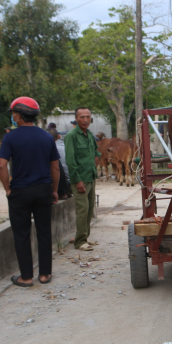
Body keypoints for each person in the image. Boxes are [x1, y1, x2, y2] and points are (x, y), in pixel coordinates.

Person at [0, 96, 60, 287]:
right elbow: (55, 167)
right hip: (43, 190)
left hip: (20, 192)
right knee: (44, 232)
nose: (13, 116)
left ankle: (26, 277)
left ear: (20, 114)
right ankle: (44, 274)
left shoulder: (10, 137)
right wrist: (55, 190)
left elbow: (2, 166)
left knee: (22, 234)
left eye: (14, 113)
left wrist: (7, 188)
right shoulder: (46, 137)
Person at [64, 107, 100, 251]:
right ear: (76, 119)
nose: (85, 120)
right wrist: (77, 180)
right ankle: (79, 242)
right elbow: (70, 161)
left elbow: (96, 150)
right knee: (82, 210)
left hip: (91, 177)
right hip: (80, 180)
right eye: (82, 117)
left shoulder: (89, 135)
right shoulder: (72, 136)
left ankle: (85, 237)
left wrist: (97, 158)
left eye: (88, 117)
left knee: (90, 208)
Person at [47, 127, 71, 199]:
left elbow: (56, 168)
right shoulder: (65, 145)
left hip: (66, 185)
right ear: (59, 136)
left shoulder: (52, 148)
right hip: (74, 182)